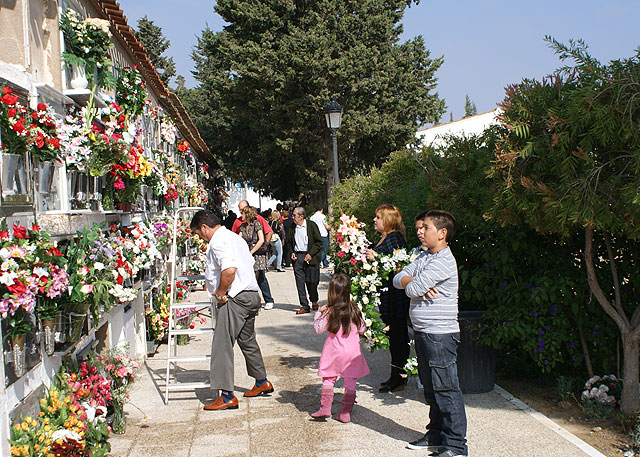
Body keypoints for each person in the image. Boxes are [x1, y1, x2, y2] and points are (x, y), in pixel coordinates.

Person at [393, 210, 468, 457]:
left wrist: (413, 282)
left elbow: (411, 287)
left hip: (440, 335)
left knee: (446, 390)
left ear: (442, 233)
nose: (420, 231)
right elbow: (398, 279)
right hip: (424, 332)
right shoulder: (425, 257)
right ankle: (436, 435)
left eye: (426, 227)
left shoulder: (444, 260)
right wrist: (413, 281)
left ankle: (456, 446)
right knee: (431, 389)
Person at [190, 210, 274, 411]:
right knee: (247, 340)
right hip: (251, 294)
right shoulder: (235, 238)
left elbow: (229, 270)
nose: (201, 239)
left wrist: (220, 293)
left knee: (222, 344)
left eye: (200, 235)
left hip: (235, 297)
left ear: (204, 227)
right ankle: (262, 381)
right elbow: (249, 263)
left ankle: (226, 395)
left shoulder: (218, 241)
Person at [311, 274, 369, 423]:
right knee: (350, 381)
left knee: (329, 379)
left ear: (331, 292)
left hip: (334, 352)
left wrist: (319, 312)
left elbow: (318, 328)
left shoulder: (330, 312)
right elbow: (363, 328)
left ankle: (325, 408)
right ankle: (345, 413)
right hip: (352, 354)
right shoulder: (354, 311)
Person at [365, 204, 410, 393]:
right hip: (388, 296)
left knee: (398, 337)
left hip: (395, 297)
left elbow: (398, 267)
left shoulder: (395, 239)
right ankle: (395, 376)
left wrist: (376, 258)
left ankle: (399, 377)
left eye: (378, 217)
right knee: (394, 336)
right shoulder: (385, 238)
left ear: (389, 220)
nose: (374, 220)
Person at [232, 200, 275, 310]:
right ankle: (251, 300)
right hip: (247, 255)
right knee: (248, 277)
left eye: (243, 212)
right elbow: (238, 238)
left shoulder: (257, 222)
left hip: (257, 254)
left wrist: (253, 251)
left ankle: (268, 299)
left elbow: (263, 238)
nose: (240, 214)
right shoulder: (241, 225)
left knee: (260, 276)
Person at [287, 206, 322, 314]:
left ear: (301, 216)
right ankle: (304, 305)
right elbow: (289, 242)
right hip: (298, 257)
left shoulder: (311, 226)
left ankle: (314, 299)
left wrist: (310, 254)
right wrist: (292, 252)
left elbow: (318, 242)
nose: (292, 217)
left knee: (312, 281)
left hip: (310, 257)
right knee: (300, 282)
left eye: (294, 215)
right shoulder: (292, 227)